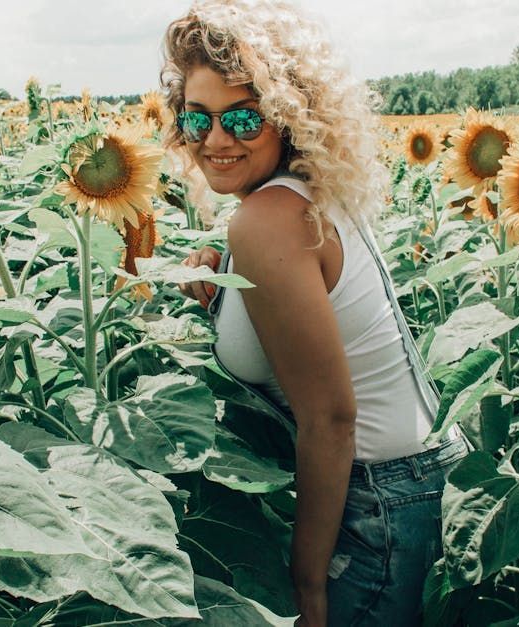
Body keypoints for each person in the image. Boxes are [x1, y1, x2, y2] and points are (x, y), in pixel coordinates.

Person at [162, 2, 472, 625]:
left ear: (286, 117)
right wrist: (221, 276)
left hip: (374, 501)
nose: (216, 140)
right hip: (418, 480)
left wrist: (306, 586)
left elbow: (330, 418)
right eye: (197, 119)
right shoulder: (305, 194)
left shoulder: (268, 219)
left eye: (243, 117)